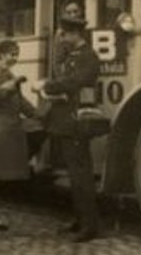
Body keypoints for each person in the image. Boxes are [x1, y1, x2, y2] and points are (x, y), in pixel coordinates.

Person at [42, 15, 102, 243]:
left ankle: (89, 225)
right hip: (67, 121)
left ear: (76, 34)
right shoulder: (73, 55)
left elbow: (75, 82)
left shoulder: (88, 56)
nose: (62, 39)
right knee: (74, 174)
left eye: (64, 35)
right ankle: (79, 219)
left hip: (77, 121)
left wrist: (47, 86)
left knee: (81, 175)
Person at [0, 39, 38, 231]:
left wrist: (36, 114)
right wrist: (12, 84)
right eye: (12, 54)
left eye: (17, 54)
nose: (15, 57)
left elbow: (19, 101)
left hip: (7, 127)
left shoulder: (6, 73)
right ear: (1, 54)